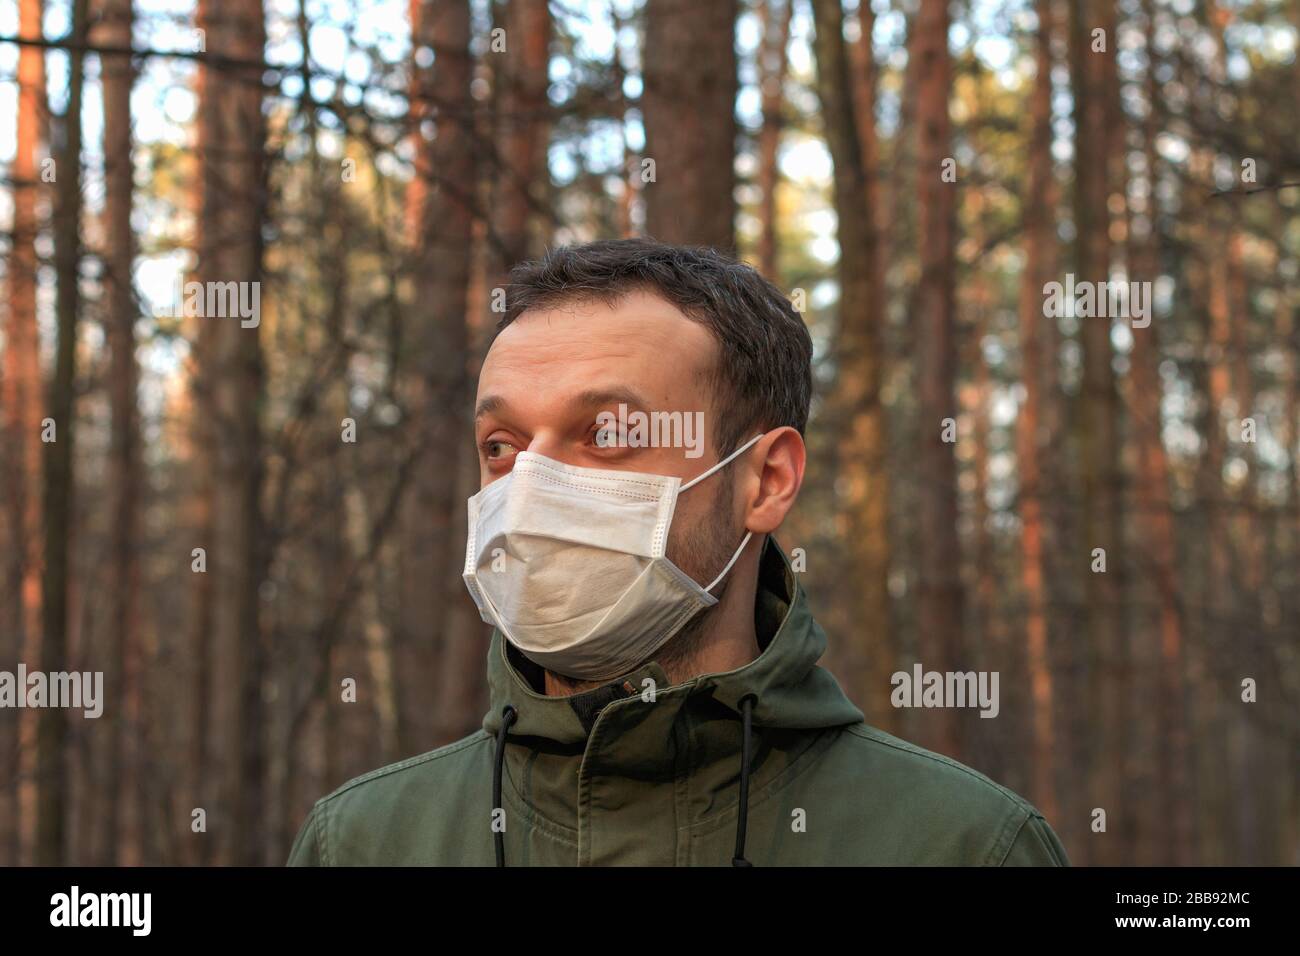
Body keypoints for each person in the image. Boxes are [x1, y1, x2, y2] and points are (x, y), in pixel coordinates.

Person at [287, 238, 1069, 866]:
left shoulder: (961, 845)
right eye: (502, 445)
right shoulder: (362, 842)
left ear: (766, 480)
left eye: (611, 433)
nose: (529, 487)